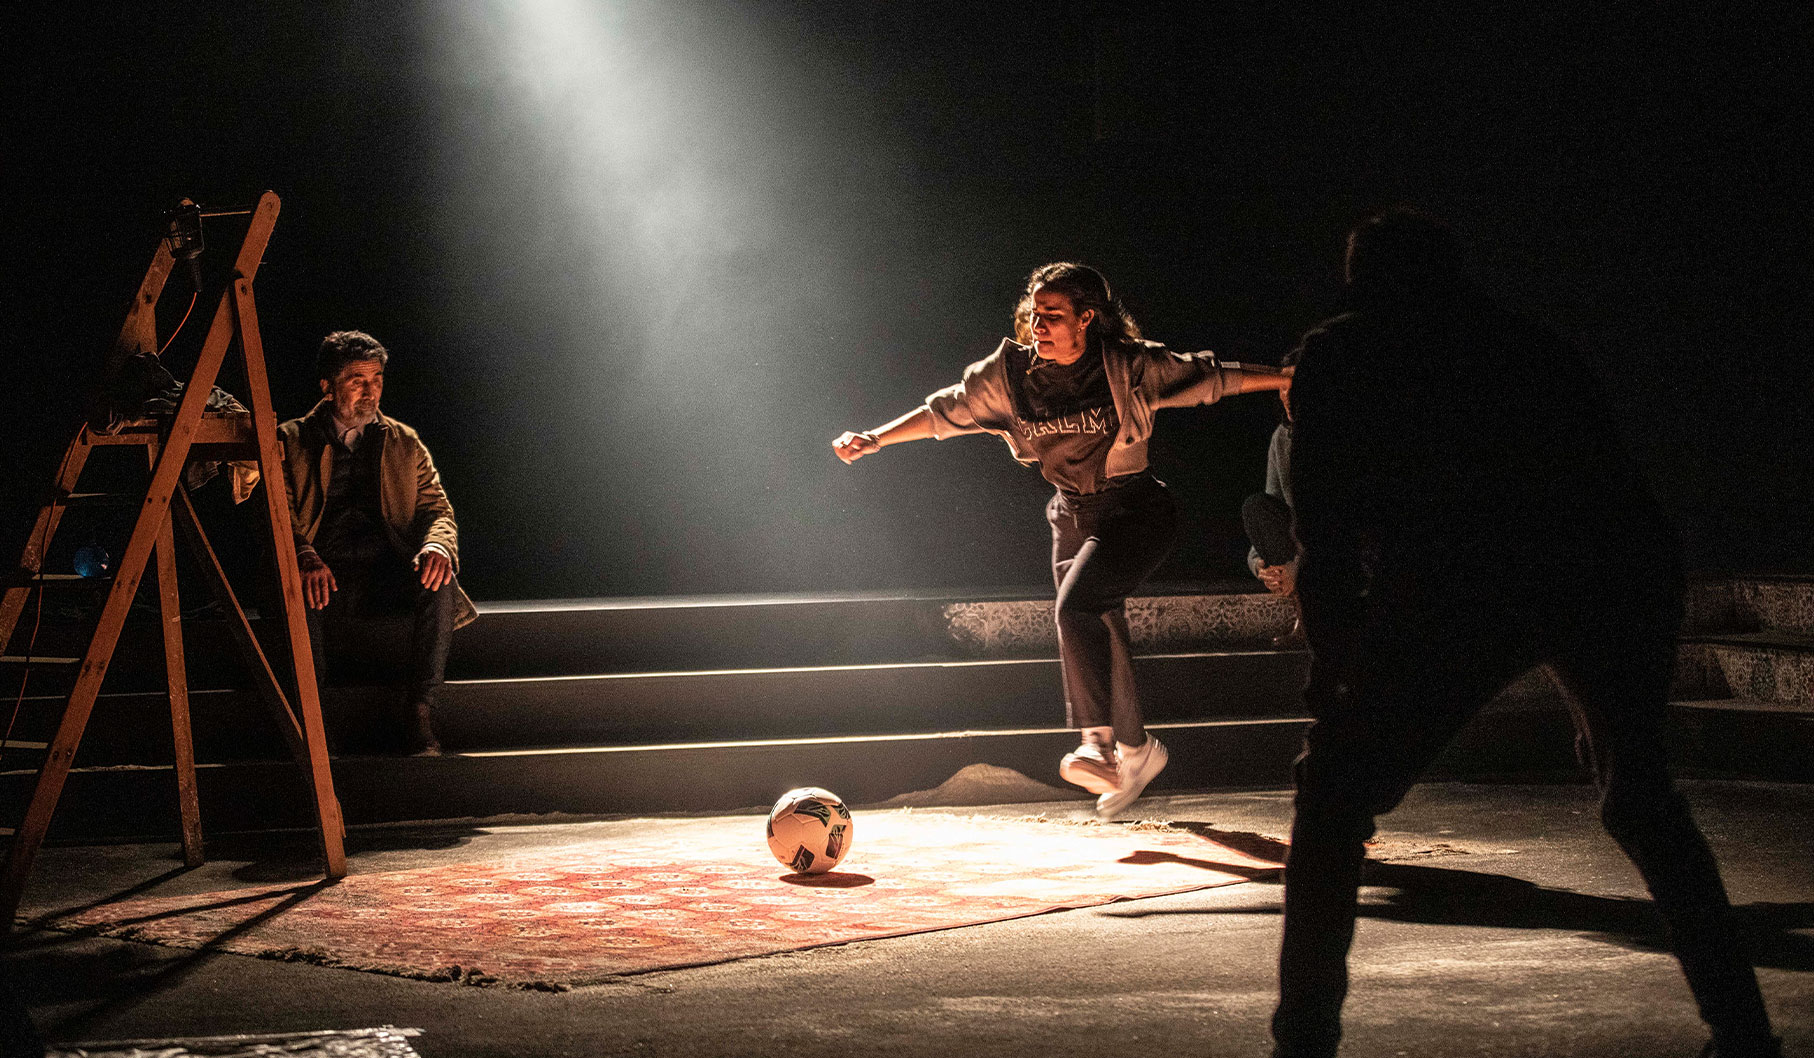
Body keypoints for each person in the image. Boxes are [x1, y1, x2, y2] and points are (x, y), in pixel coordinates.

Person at [1272, 209, 1779, 1058]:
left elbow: (1323, 531)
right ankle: (1744, 1032)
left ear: (1360, 281)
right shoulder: (1529, 341)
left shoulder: (1342, 351)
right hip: (1611, 565)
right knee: (1643, 800)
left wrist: (1336, 662)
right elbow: (1619, 487)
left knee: (1333, 796)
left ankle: (1303, 1040)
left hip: (1469, 577)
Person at [833, 263, 1290, 818]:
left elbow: (1211, 377)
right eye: (1035, 315)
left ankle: (1097, 744)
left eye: (1053, 316)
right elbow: (944, 412)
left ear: (1086, 318)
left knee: (1075, 608)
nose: (1039, 326)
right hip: (1071, 514)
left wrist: (1284, 380)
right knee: (1099, 624)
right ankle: (1133, 751)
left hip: (1136, 509)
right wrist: (875, 438)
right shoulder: (1010, 377)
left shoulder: (1126, 365)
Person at [277, 330, 477, 755]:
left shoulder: (404, 442)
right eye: (357, 381)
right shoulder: (289, 440)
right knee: (294, 589)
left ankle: (420, 710)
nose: (370, 392)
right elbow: (276, 514)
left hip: (383, 574)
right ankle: (316, 723)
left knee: (441, 580)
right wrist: (304, 555)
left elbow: (437, 509)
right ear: (328, 386)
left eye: (377, 380)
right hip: (324, 575)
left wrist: (438, 546)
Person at [1243, 348, 1301, 647]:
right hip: (1299, 543)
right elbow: (1270, 508)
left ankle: (1318, 619)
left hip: (1334, 547)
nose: (1286, 395)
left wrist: (1299, 567)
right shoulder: (1282, 438)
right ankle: (1304, 617)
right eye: (1282, 387)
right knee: (1255, 507)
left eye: (1294, 386)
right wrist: (1259, 564)